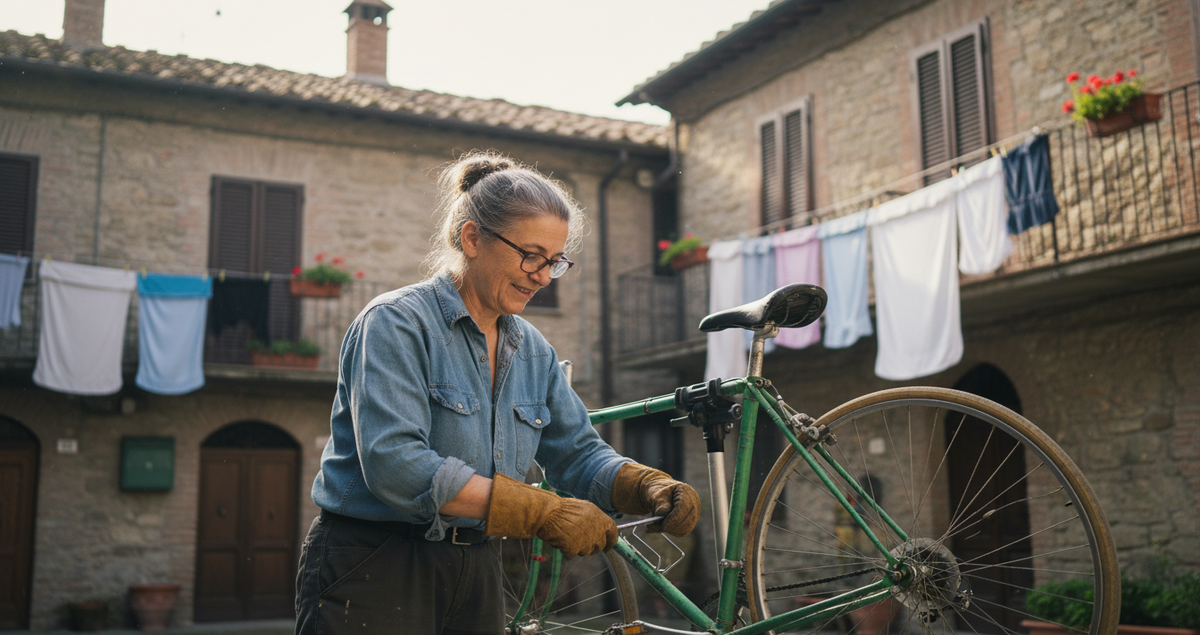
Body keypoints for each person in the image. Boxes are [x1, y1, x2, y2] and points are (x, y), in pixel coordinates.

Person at [295, 151, 701, 635]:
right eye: (531, 255)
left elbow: (577, 452)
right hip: (376, 564)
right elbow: (396, 465)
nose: (544, 276)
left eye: (555, 261)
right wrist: (540, 509)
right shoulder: (395, 323)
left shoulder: (533, 351)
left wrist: (645, 485)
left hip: (476, 567)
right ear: (471, 238)